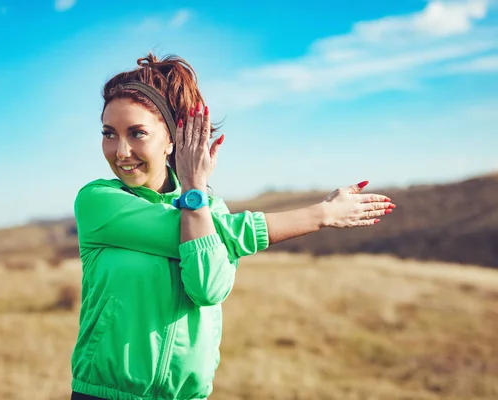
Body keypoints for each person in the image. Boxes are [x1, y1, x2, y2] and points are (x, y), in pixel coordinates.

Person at [70, 53, 395, 400]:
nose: (120, 151)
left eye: (137, 133)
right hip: (105, 394)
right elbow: (219, 235)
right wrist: (321, 215)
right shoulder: (98, 201)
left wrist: (195, 194)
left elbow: (208, 288)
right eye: (109, 133)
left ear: (171, 139)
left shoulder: (213, 211)